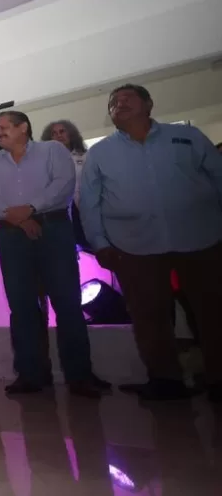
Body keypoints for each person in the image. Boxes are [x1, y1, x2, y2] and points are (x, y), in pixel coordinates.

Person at [80, 84, 222, 402]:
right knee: (149, 315)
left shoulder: (187, 137)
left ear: (149, 104)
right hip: (135, 246)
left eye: (127, 98)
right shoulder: (101, 152)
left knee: (213, 309)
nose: (119, 104)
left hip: (201, 239)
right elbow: (89, 202)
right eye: (113, 102)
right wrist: (100, 243)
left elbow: (218, 175)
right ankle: (165, 380)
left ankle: (217, 378)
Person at [0, 111, 107, 397]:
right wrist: (20, 218)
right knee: (21, 306)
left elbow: (62, 185)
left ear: (24, 128)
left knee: (67, 303)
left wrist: (32, 208)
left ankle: (79, 376)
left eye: (3, 128)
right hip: (12, 234)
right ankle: (31, 374)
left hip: (53, 230)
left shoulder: (53, 151)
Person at [40, 119, 89, 249]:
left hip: (84, 206)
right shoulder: (44, 162)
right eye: (54, 133)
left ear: (71, 134)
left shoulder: (84, 157)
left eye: (62, 131)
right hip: (59, 212)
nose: (59, 135)